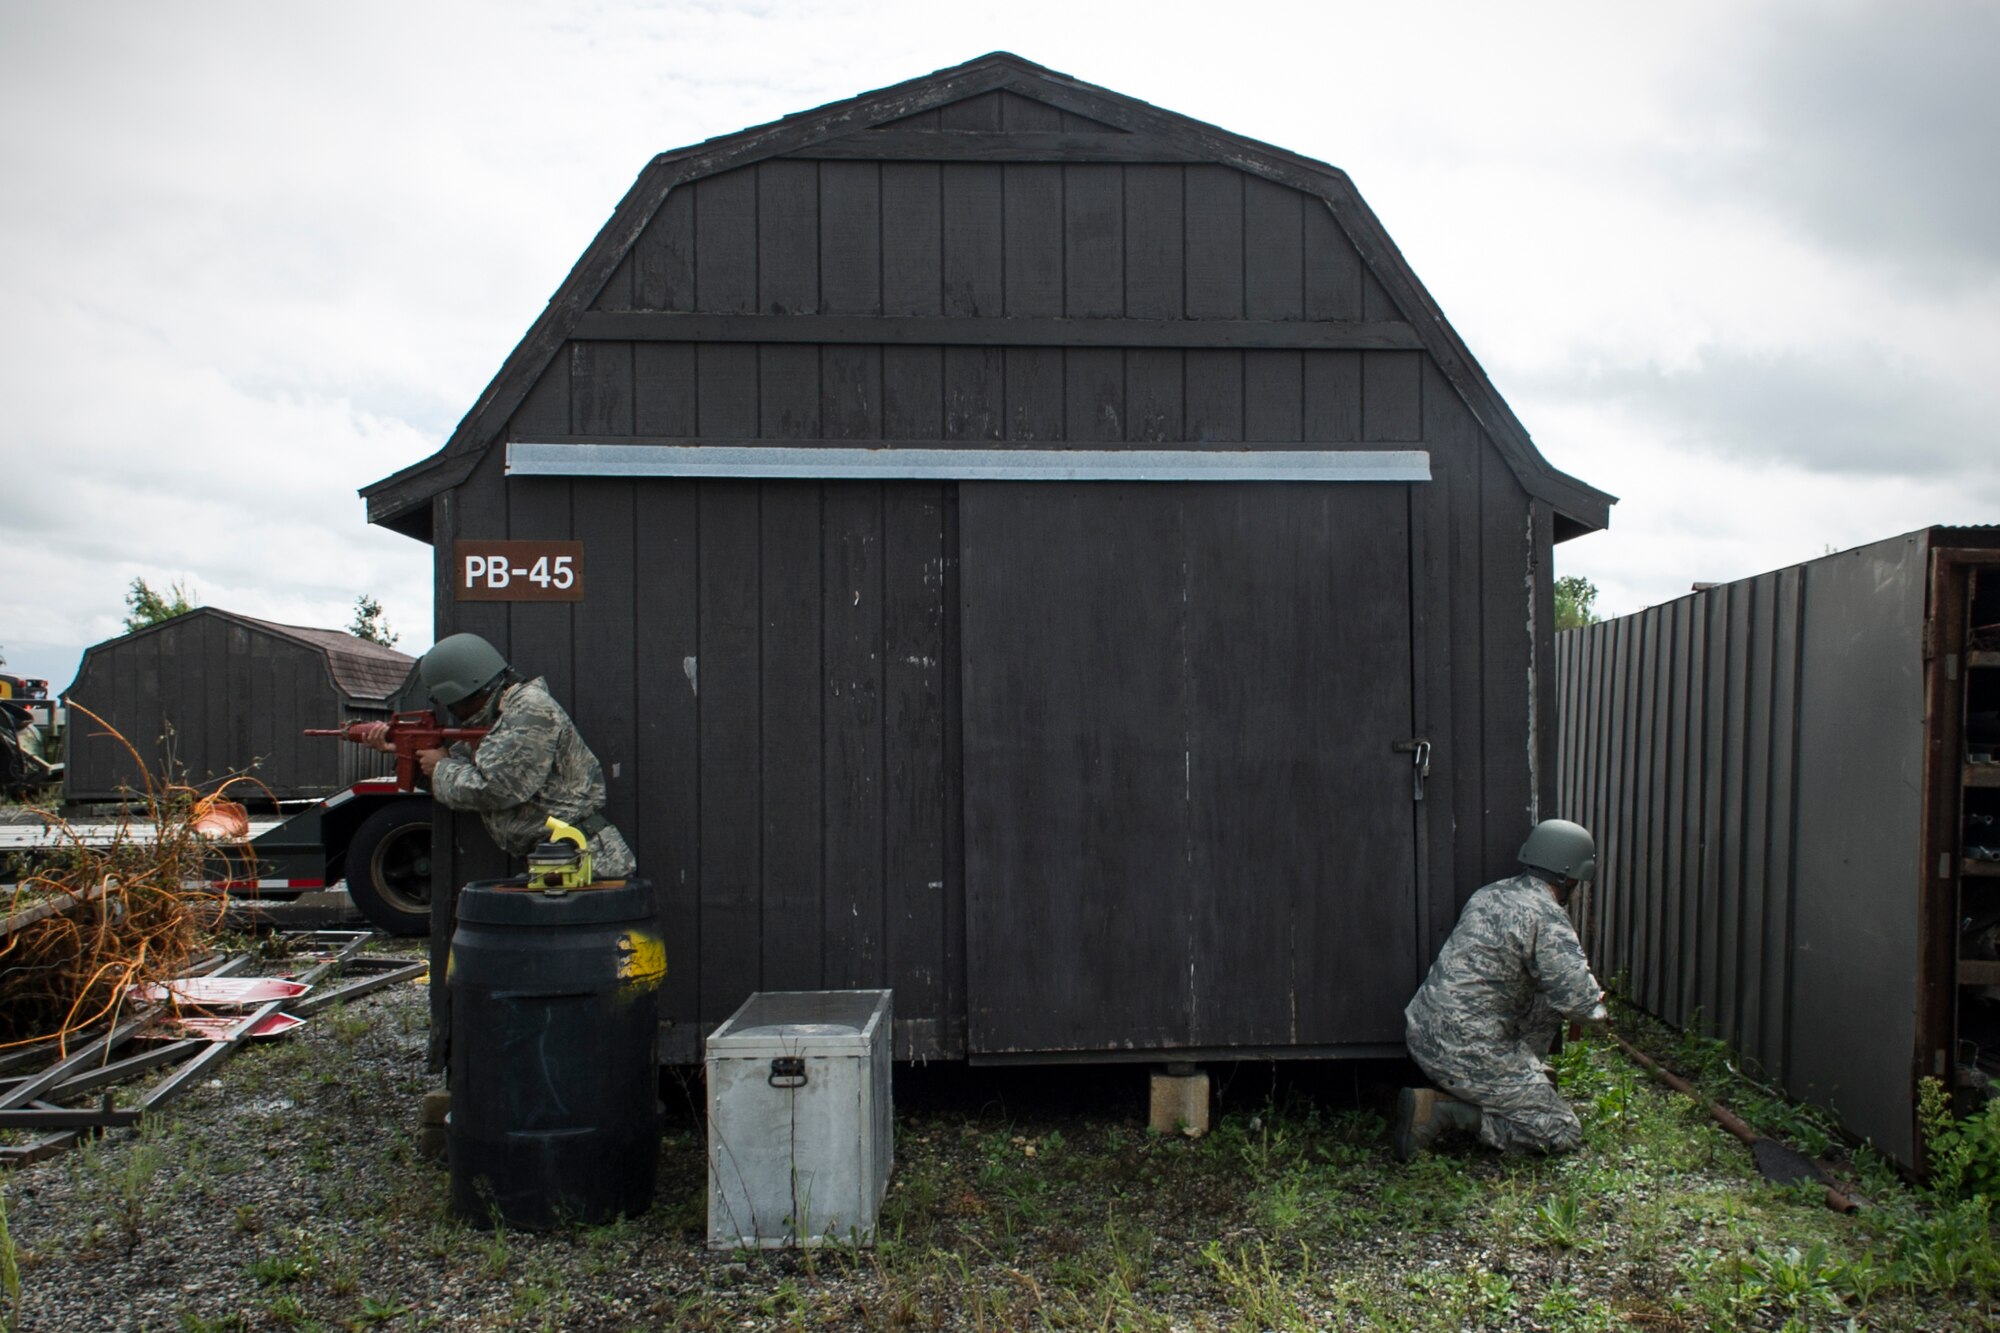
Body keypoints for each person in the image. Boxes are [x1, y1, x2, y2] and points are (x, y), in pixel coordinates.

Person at [1394, 818, 1607, 1159]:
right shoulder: (1547, 918)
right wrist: (1598, 1005)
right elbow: (1581, 1003)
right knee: (1560, 1131)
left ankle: (1516, 1078)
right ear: (1569, 878)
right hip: (1467, 1050)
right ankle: (1443, 1112)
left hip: (1424, 1032)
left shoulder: (1490, 893)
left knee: (1540, 991)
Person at [360, 632, 636, 879]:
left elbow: (495, 787)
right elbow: (461, 777)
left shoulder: (529, 710)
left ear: (467, 693)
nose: (454, 713)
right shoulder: (501, 719)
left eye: (452, 705)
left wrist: (441, 766)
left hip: (584, 858)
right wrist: (407, 753)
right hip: (560, 858)